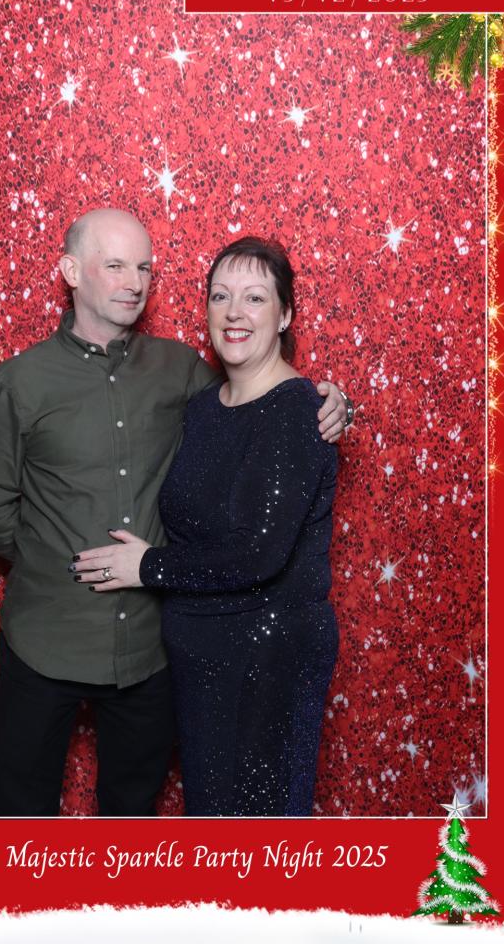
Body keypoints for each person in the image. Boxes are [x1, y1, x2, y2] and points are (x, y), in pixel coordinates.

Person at [0, 209, 351, 817]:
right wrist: (47, 556)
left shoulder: (182, 371)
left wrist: (328, 399)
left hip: (156, 651)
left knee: (137, 816)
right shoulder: (17, 382)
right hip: (48, 637)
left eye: (144, 267)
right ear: (71, 272)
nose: (134, 282)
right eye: (115, 265)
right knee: (20, 813)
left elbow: (263, 402)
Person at [72, 235, 339, 817]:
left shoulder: (299, 412)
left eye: (255, 298)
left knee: (259, 841)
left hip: (266, 660)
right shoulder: (203, 406)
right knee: (213, 829)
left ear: (286, 315)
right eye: (221, 296)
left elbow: (258, 553)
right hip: (200, 659)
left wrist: (146, 566)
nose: (235, 313)